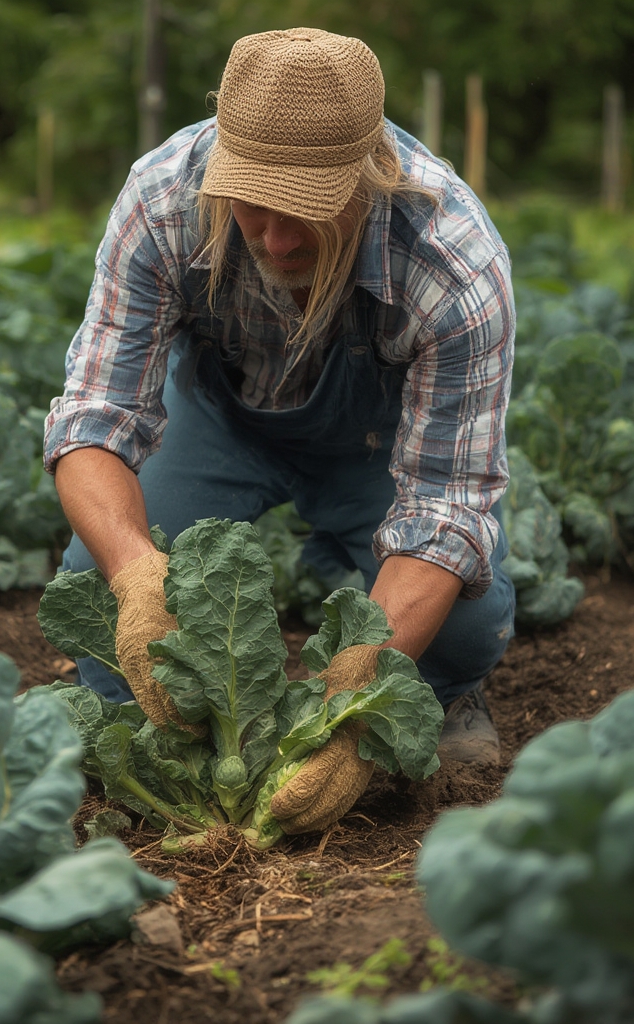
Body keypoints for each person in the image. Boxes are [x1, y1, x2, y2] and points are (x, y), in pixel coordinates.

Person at [44, 27, 516, 834]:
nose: (276, 237)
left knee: (463, 630)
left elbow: (442, 509)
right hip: (219, 419)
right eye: (253, 203)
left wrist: (351, 713)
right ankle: (164, 739)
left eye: (307, 209)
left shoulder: (453, 265)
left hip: (377, 445)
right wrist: (135, 574)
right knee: (96, 589)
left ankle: (421, 673)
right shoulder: (162, 199)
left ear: (369, 176)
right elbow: (95, 415)